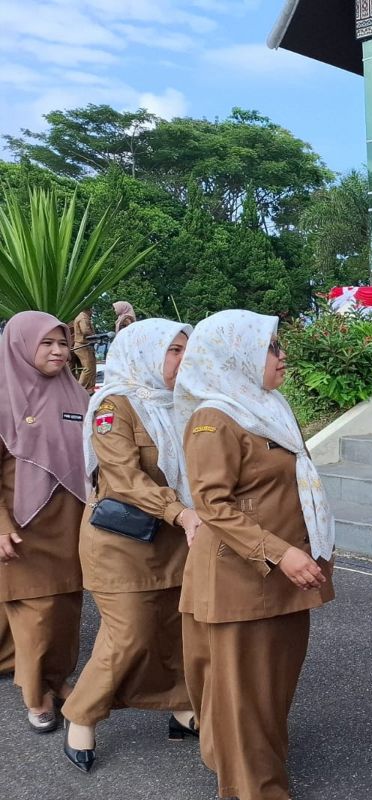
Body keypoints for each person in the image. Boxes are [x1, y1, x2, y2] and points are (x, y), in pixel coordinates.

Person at [178, 309, 336, 800]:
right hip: (241, 582)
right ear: (236, 355)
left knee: (270, 696)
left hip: (282, 579)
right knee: (245, 703)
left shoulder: (266, 406)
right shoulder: (214, 417)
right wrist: (282, 553)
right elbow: (213, 506)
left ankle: (252, 772)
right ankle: (255, 789)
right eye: (271, 347)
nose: (282, 356)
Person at [61, 319, 200, 772]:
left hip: (177, 541)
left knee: (175, 628)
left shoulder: (185, 404)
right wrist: (179, 511)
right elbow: (123, 478)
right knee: (130, 633)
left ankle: (181, 708)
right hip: (121, 544)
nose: (184, 358)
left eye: (186, 348)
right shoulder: (113, 406)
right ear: (144, 352)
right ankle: (81, 714)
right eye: (174, 350)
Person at [0, 311, 88, 733]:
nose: (59, 351)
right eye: (47, 343)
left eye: (63, 342)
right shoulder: (4, 396)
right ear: (20, 345)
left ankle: (57, 680)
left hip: (72, 519)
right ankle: (36, 695)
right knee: (37, 613)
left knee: (67, 609)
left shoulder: (75, 393)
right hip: (23, 526)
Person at [71, 308, 97, 393]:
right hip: (83, 345)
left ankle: (84, 388)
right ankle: (79, 389)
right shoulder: (83, 317)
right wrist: (95, 336)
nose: (92, 312)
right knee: (88, 368)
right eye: (91, 310)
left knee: (82, 369)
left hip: (81, 345)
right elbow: (85, 331)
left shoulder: (82, 316)